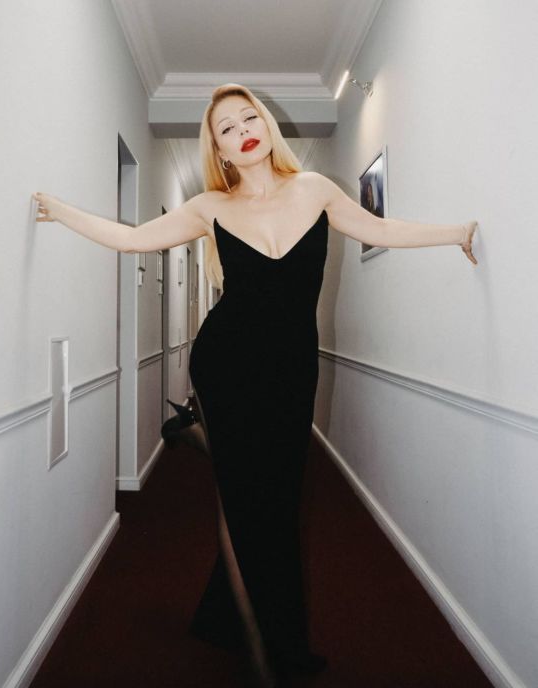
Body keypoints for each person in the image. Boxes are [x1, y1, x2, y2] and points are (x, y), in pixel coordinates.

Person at [32, 82, 478, 687]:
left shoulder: (315, 190)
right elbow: (133, 239)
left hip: (293, 371)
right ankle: (268, 655)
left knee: (280, 502)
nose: (243, 131)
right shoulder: (209, 207)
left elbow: (382, 230)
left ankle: (201, 451)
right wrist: (61, 212)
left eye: (249, 118)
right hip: (227, 367)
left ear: (267, 125)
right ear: (218, 150)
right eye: (227, 128)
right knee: (245, 506)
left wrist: (456, 234)